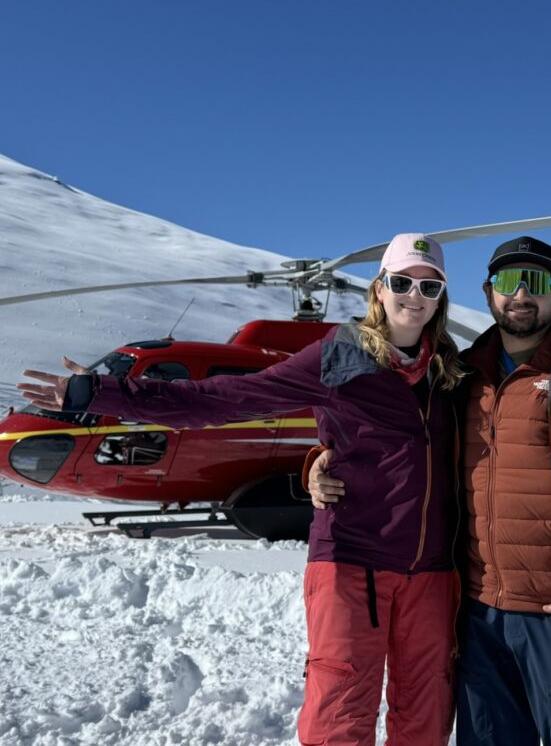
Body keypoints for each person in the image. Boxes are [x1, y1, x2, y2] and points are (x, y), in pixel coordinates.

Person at [18, 233, 465, 746]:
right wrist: (102, 392)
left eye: (429, 286)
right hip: (351, 561)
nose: (416, 295)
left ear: (441, 297)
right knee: (340, 709)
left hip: (432, 572)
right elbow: (222, 398)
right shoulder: (336, 358)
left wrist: (313, 461)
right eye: (403, 282)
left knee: (427, 711)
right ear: (379, 289)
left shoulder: (452, 375)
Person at [307, 235, 551, 746]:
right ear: (487, 293)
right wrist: (323, 461)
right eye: (508, 281)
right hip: (479, 624)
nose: (521, 294)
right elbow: (400, 443)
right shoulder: (460, 376)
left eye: (537, 281)